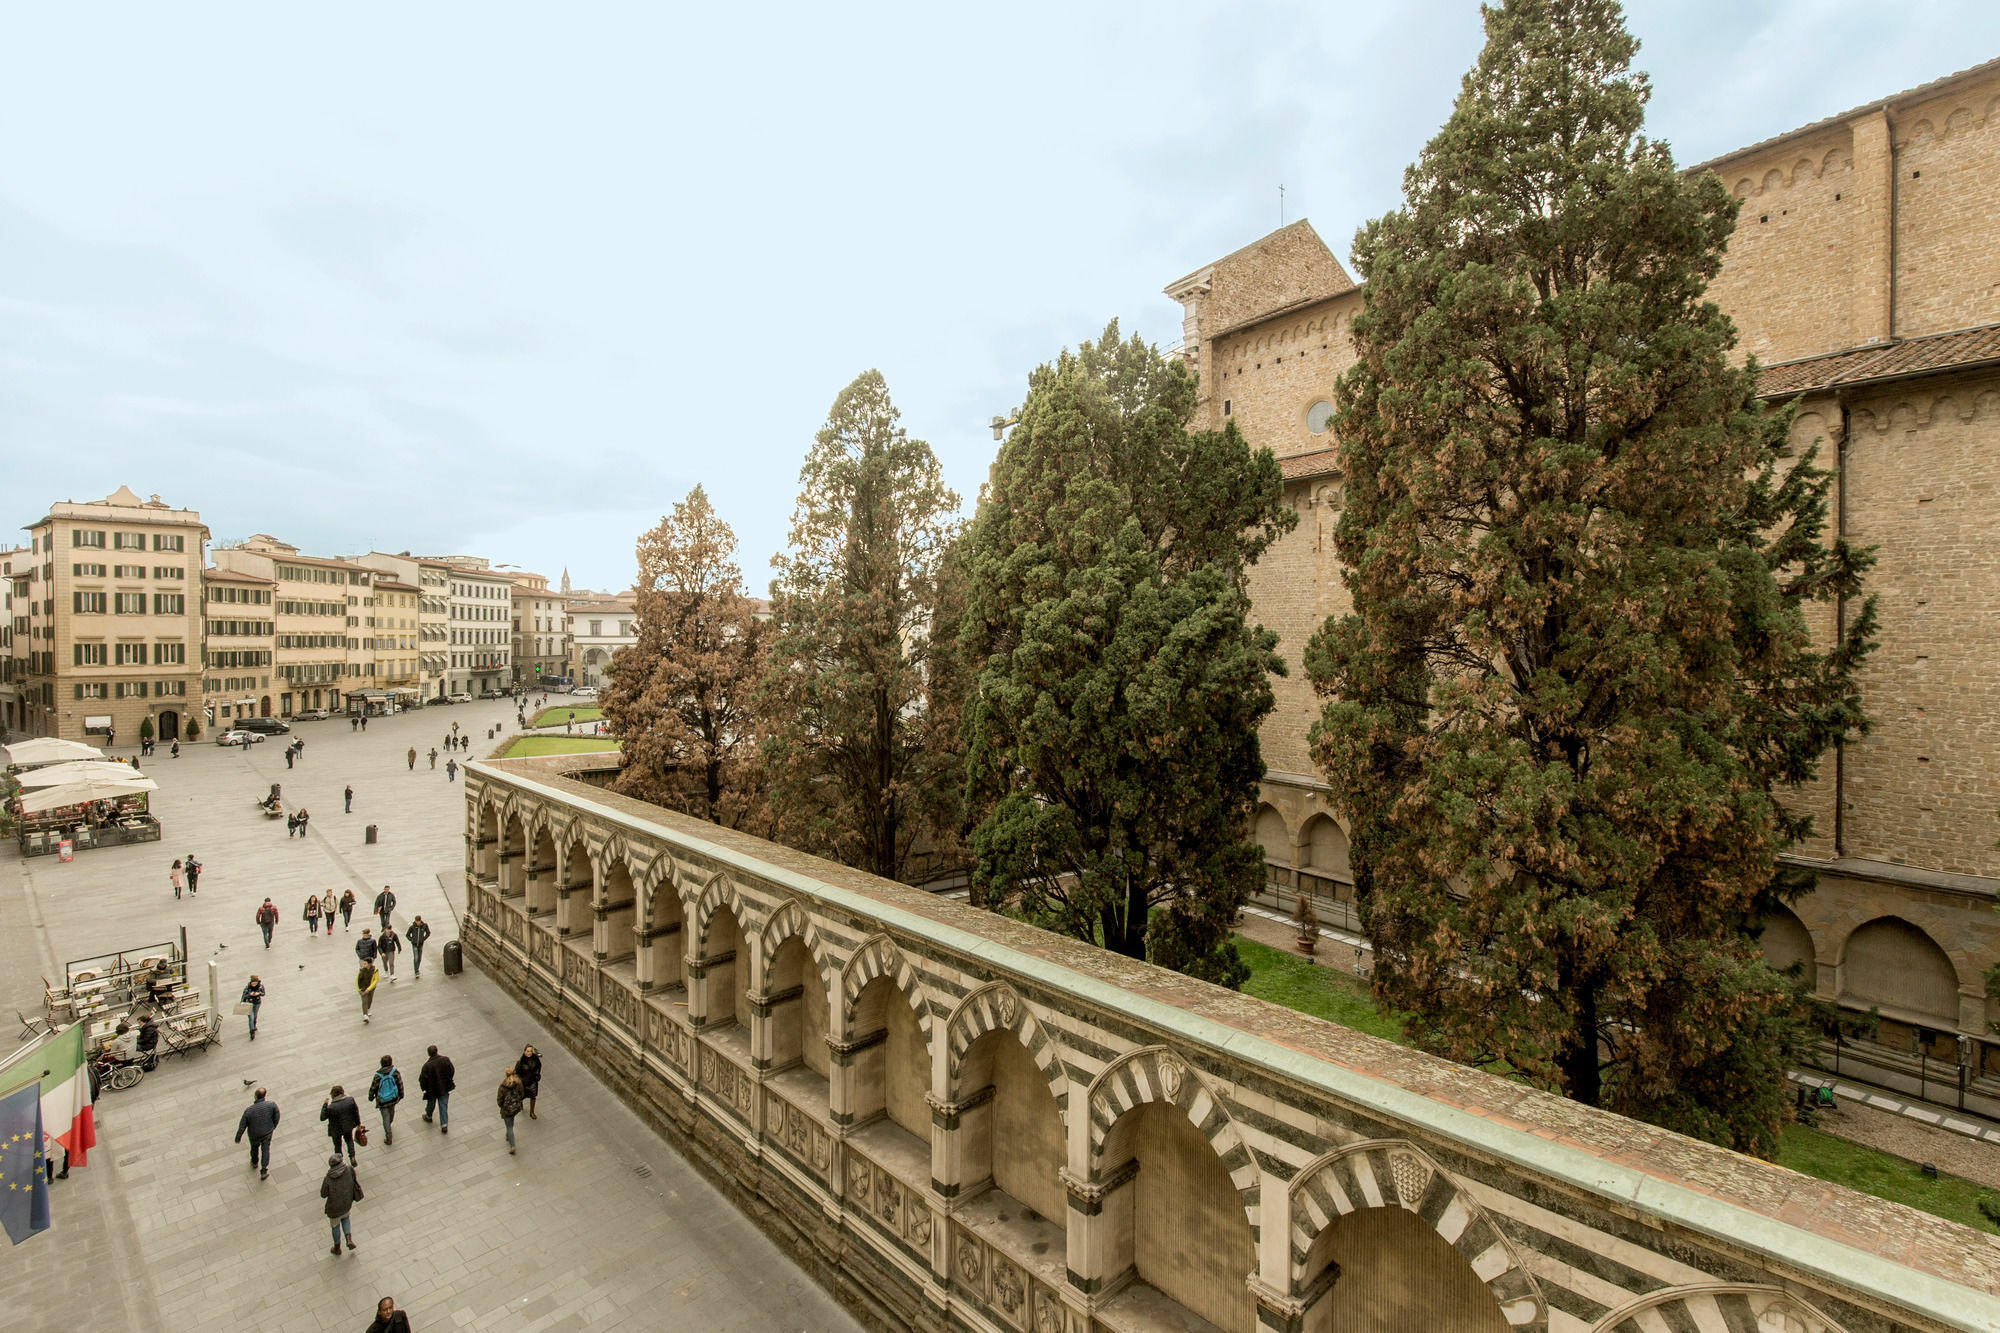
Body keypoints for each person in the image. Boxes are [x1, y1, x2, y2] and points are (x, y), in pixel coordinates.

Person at [320, 1154, 362, 1256]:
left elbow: (323, 1194)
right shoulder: (348, 1169)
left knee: (335, 1226)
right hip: (347, 1202)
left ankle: (337, 1248)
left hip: (334, 1207)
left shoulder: (328, 1178)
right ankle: (348, 1238)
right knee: (346, 1217)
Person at [235, 1087, 279, 1179]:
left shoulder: (249, 1110)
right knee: (265, 1149)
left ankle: (255, 1162)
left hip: (254, 1134)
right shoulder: (272, 1105)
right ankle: (264, 1170)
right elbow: (276, 1117)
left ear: (255, 1096)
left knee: (254, 1148)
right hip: (267, 1132)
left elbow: (242, 1125)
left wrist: (238, 1137)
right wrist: (272, 1127)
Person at [367, 1054, 403, 1146]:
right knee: (391, 1113)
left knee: (385, 1117)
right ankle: (389, 1125)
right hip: (393, 1098)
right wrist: (401, 1095)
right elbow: (400, 1084)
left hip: (382, 1101)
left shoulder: (378, 1076)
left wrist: (371, 1097)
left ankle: (388, 1136)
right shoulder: (395, 1072)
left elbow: (373, 1087)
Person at [321, 1085, 361, 1162]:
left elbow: (322, 1117)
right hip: (348, 1126)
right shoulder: (350, 1100)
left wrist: (325, 1104)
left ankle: (339, 1161)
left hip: (335, 1130)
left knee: (337, 1145)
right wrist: (358, 1124)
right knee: (349, 1140)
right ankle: (352, 1157)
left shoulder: (331, 1107)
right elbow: (356, 1112)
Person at [419, 1044, 453, 1131]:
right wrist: (449, 1080)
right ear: (437, 1051)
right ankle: (444, 1125)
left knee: (431, 1103)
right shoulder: (445, 1059)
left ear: (428, 1054)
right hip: (444, 1087)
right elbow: (451, 1070)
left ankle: (429, 1116)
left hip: (431, 1089)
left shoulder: (426, 1066)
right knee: (443, 1105)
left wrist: (424, 1089)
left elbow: (422, 1079)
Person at [497, 1066, 525, 1154]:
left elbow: (499, 1099)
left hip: (506, 1109)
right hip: (515, 1107)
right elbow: (522, 1093)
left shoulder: (502, 1086)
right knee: (511, 1122)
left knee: (509, 1126)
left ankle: (512, 1145)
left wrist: (502, 1105)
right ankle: (508, 1135)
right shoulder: (518, 1083)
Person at [517, 1045, 543, 1120]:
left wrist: (537, 1075)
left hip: (533, 1081)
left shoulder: (536, 1059)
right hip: (524, 1082)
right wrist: (520, 1080)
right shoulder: (521, 1062)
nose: (529, 1053)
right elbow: (517, 1072)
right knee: (522, 1095)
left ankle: (532, 1112)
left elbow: (539, 1067)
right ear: (524, 1051)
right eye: (528, 1051)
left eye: (531, 1051)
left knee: (533, 1096)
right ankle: (521, 1104)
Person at [241, 974, 266, 1040]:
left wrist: (259, 993)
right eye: (253, 983)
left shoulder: (260, 986)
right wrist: (249, 994)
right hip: (249, 1003)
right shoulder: (248, 987)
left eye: (255, 983)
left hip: (257, 1003)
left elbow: (263, 993)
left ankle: (254, 1025)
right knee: (251, 1017)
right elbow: (244, 995)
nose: (254, 985)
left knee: (255, 1016)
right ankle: (252, 1032)